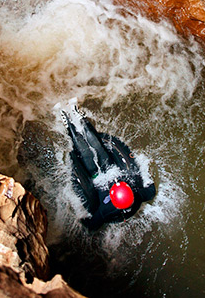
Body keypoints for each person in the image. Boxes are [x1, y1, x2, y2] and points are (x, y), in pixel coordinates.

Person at [56, 98, 156, 231]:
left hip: (97, 178)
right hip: (110, 169)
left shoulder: (106, 210)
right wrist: (145, 170)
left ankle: (69, 124)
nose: (117, 182)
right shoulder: (138, 195)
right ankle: (79, 117)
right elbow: (151, 191)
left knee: (85, 152)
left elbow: (92, 226)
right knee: (98, 148)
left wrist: (80, 217)